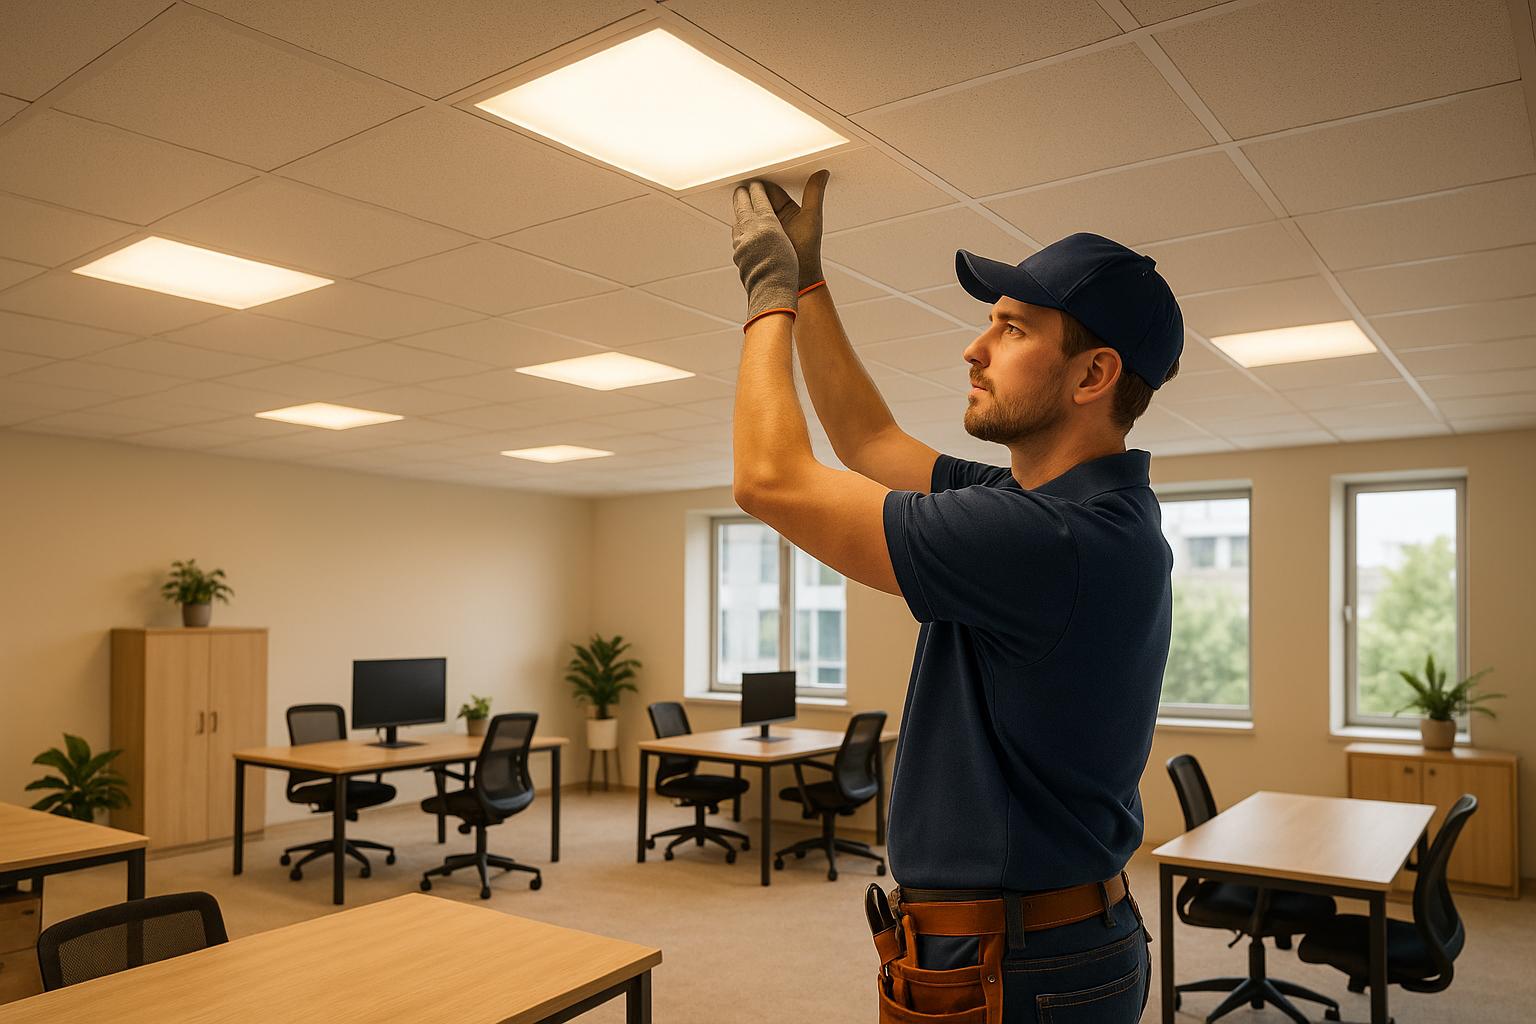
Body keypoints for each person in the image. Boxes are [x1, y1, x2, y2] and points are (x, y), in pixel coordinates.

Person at [727, 169, 1182, 1023]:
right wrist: (814, 281)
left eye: (1010, 328)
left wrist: (768, 293)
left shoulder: (1047, 541)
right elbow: (868, 440)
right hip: (1042, 941)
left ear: (1093, 375)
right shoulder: (1074, 513)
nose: (974, 349)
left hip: (1019, 964)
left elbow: (769, 479)